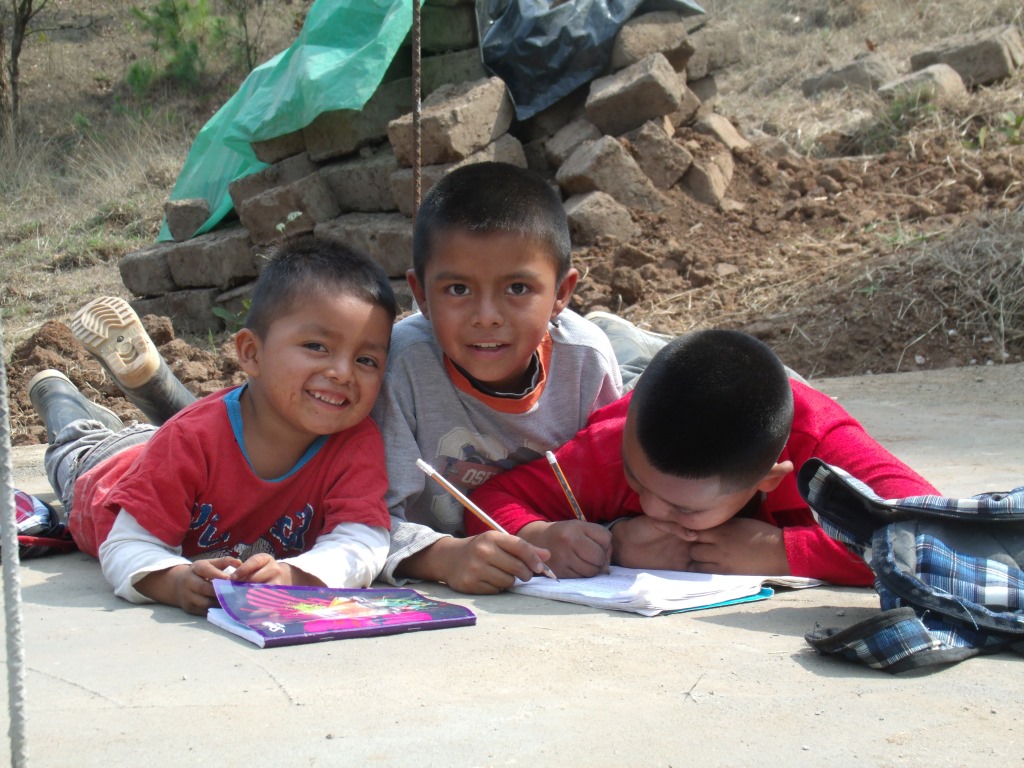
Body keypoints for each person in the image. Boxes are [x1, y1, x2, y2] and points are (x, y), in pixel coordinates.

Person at [27, 239, 397, 615]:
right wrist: (173, 581)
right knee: (76, 441)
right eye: (317, 346)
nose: (343, 372)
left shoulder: (356, 441)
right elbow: (126, 544)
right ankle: (56, 393)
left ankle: (132, 397)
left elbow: (363, 538)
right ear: (251, 353)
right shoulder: (190, 439)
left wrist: (295, 575)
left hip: (160, 449)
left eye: (366, 359)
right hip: (103, 473)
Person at [468, 329, 941, 585]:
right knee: (623, 344)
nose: (653, 511)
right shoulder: (620, 444)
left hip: (779, 396)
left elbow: (940, 539)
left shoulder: (820, 448)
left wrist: (782, 552)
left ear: (768, 481)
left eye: (684, 509)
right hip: (649, 376)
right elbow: (492, 495)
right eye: (637, 485)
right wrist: (544, 533)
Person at [371, 161, 624, 594]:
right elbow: (364, 518)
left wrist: (600, 537)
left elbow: (618, 486)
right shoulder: (400, 368)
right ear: (421, 295)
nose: (486, 318)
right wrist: (442, 558)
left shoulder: (587, 362)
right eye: (458, 290)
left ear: (562, 293)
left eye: (518, 289)